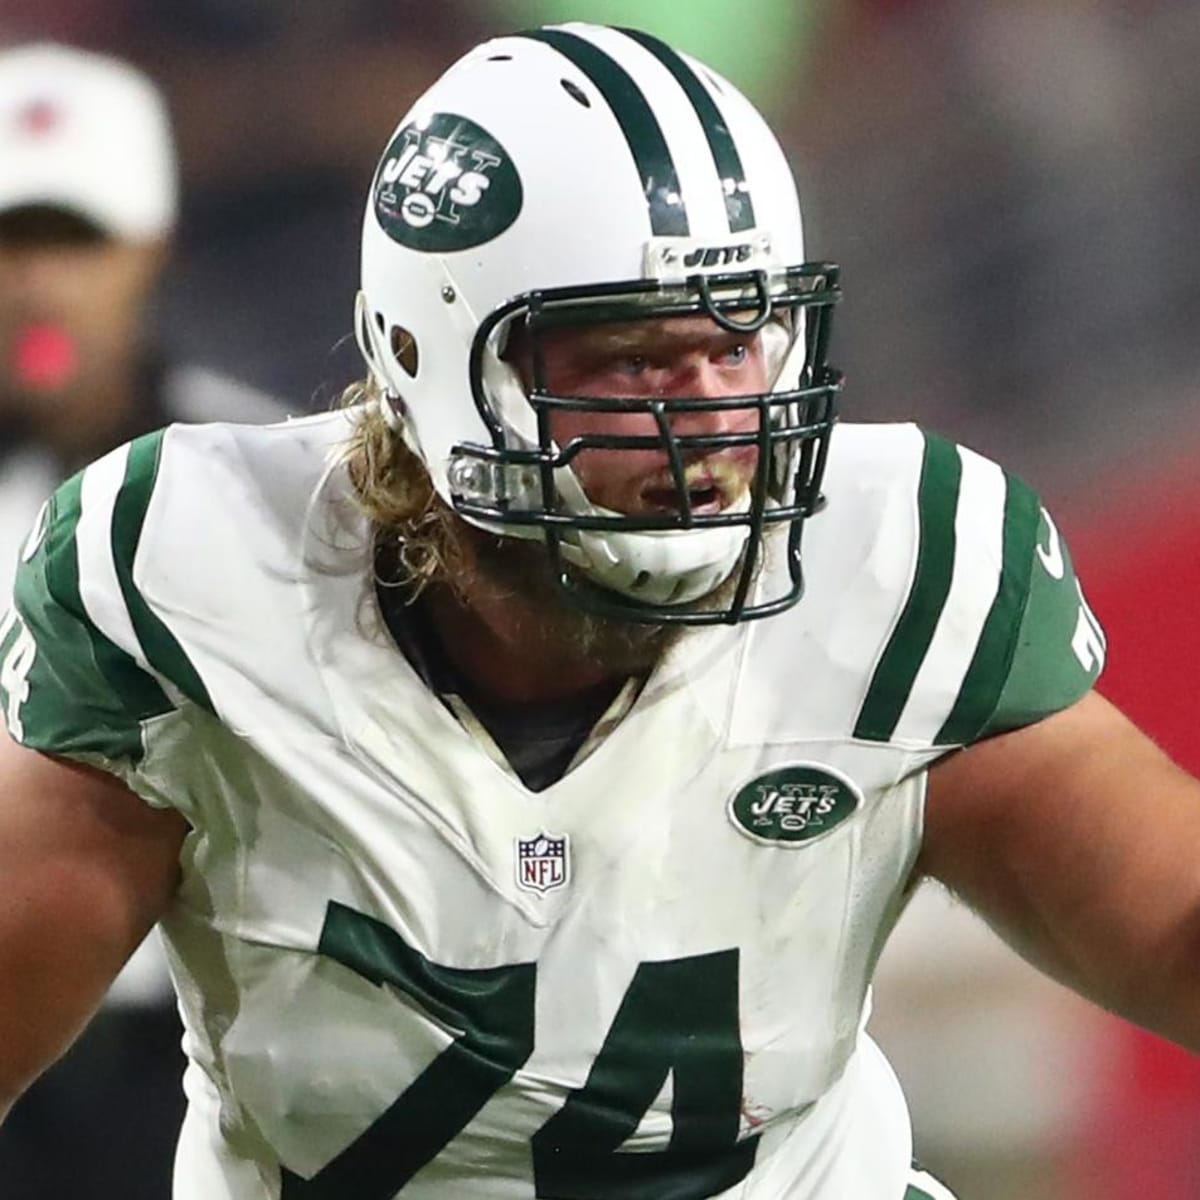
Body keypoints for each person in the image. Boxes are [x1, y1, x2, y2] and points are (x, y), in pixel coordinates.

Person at [0, 23, 1196, 1200]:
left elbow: (1172, 925)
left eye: (740, 340)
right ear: (426, 356)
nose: (712, 423)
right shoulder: (203, 577)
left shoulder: (897, 568)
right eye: (631, 357)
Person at [0, 41, 287, 1199]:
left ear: (149, 246)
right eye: (12, 241)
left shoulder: (268, 491)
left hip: (187, 1055)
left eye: (75, 240)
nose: (37, 283)